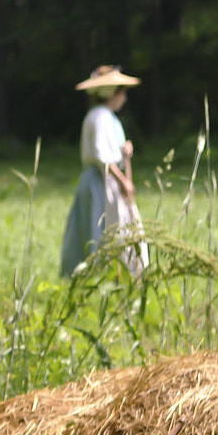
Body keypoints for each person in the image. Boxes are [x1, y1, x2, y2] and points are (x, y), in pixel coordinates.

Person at [60, 66, 148, 277]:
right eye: (122, 92)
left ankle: (119, 276)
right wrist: (123, 181)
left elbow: (112, 153)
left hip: (106, 180)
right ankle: (100, 276)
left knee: (114, 227)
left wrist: (125, 150)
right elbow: (102, 156)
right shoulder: (99, 116)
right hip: (100, 182)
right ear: (112, 93)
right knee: (99, 230)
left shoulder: (107, 116)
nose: (124, 98)